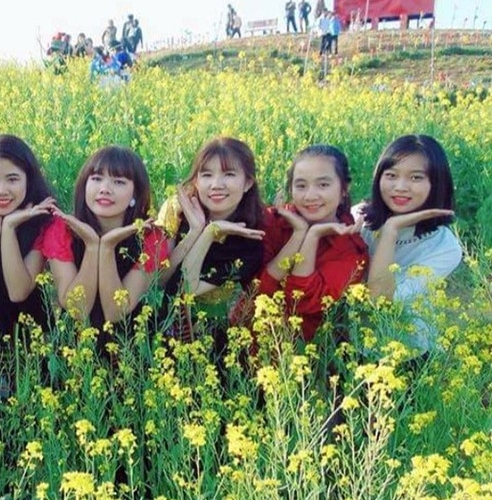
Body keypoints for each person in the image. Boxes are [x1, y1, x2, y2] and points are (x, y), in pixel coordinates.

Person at [0, 135, 78, 340]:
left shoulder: (44, 220)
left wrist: (8, 228)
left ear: (29, 180)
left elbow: (18, 292)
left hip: (30, 340)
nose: (2, 191)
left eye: (13, 179)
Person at [156, 137, 266, 365]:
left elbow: (187, 288)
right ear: (195, 180)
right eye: (206, 175)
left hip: (207, 337)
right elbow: (159, 279)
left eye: (229, 174)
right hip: (156, 327)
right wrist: (196, 230)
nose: (216, 184)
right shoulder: (176, 210)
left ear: (248, 183)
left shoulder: (249, 242)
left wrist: (209, 233)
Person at [54, 145, 169, 356]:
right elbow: (76, 310)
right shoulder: (62, 230)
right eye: (96, 178)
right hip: (72, 355)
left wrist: (106, 248)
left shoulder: (152, 238)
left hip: (130, 353)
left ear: (136, 193)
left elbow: (117, 312)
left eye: (118, 182)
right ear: (84, 186)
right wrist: (91, 247)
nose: (105, 188)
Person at [246, 145, 368, 342]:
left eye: (323, 185)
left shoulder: (351, 250)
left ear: (344, 189)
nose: (310, 196)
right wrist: (298, 234)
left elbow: (301, 302)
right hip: (242, 343)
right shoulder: (272, 222)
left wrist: (311, 237)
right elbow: (256, 291)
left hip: (301, 356)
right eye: (301, 186)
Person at [357, 135, 460, 303]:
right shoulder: (358, 219)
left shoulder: (445, 246)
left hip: (401, 329)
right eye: (391, 175)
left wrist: (391, 229)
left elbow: (380, 301)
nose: (400, 187)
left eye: (416, 178)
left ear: (437, 183)